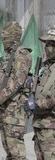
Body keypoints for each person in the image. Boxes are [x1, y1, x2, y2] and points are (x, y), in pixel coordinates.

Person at [0, 21, 32, 160]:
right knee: (8, 145)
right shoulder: (10, 55)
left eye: (5, 38)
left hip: (15, 108)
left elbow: (17, 82)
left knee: (16, 149)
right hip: (6, 107)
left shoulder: (22, 55)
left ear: (13, 37)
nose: (3, 41)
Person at [33, 26, 55, 160]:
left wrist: (37, 104)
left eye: (52, 44)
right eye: (47, 44)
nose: (48, 47)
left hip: (51, 128)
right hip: (40, 124)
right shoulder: (46, 66)